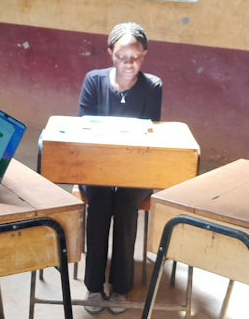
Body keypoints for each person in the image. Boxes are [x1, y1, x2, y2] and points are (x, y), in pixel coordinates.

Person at [78, 22, 162, 314]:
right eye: (122, 57)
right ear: (110, 53)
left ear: (145, 55)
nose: (130, 64)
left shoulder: (152, 86)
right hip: (97, 167)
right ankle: (93, 287)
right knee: (100, 203)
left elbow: (149, 135)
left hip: (135, 169)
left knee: (126, 204)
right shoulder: (94, 80)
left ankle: (121, 288)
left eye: (136, 57)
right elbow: (83, 128)